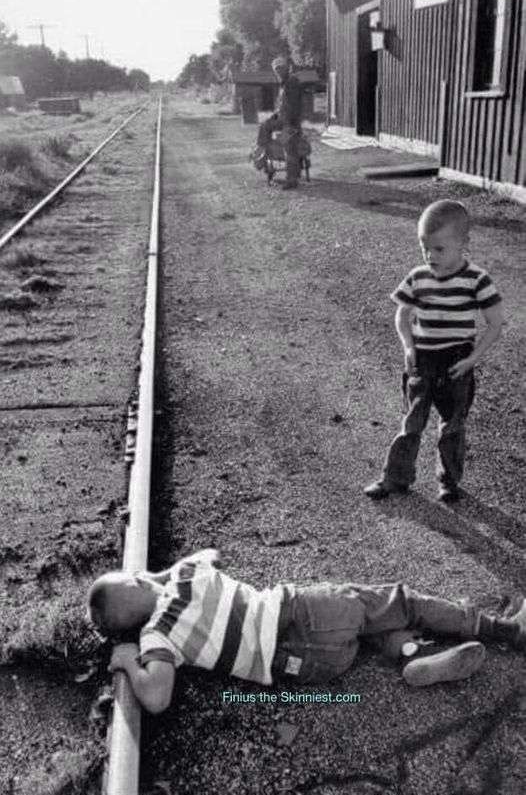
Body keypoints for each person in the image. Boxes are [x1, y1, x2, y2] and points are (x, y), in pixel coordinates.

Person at [87, 548, 525, 713]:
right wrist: (160, 576)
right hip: (301, 615)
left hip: (310, 670)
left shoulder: (156, 639)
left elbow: (156, 697)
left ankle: (413, 654)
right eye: (136, 577)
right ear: (140, 581)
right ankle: (505, 629)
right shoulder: (185, 576)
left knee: (365, 632)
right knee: (399, 602)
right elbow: (211, 555)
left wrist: (128, 662)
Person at [364, 200, 503, 503]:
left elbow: (495, 323)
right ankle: (395, 478)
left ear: (463, 244)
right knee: (412, 421)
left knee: (453, 425)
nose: (430, 256)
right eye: (425, 248)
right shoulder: (418, 277)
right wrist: (407, 346)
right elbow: (402, 315)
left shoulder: (476, 279)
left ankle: (449, 482)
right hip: (423, 359)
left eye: (439, 249)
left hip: (457, 362)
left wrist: (472, 359)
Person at [256, 55, 303, 190]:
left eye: (281, 68)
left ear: (287, 68)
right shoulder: (284, 84)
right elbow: (282, 107)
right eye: (276, 70)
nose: (278, 72)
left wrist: (289, 125)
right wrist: (274, 116)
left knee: (289, 149)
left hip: (291, 123)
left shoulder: (292, 82)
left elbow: (293, 107)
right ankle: (263, 153)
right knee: (265, 125)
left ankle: (292, 180)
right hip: (283, 119)